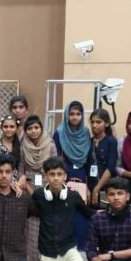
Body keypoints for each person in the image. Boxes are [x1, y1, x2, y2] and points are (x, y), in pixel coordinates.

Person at [32, 157, 95, 261]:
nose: (56, 178)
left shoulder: (73, 196)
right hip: (48, 249)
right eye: (52, 174)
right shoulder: (39, 195)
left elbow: (90, 214)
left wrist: (111, 212)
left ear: (65, 176)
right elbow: (26, 212)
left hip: (68, 247)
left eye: (59, 174)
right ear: (46, 176)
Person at [21, 115, 57, 261]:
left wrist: (47, 190)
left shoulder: (50, 145)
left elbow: (55, 169)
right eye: (30, 128)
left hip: (48, 188)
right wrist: (31, 192)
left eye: (36, 127)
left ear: (41, 129)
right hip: (28, 189)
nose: (33, 131)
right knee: (31, 227)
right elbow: (21, 169)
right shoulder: (23, 146)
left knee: (47, 226)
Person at [53, 101, 91, 251]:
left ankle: (80, 250)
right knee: (65, 214)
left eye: (78, 114)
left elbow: (89, 161)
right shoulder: (60, 133)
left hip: (82, 178)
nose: (75, 117)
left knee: (80, 214)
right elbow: (56, 159)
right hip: (64, 177)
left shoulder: (86, 133)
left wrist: (89, 186)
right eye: (72, 114)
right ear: (66, 115)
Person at [87, 108, 118, 208]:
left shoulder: (111, 141)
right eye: (92, 122)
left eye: (98, 122)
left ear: (107, 124)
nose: (94, 125)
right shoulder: (88, 141)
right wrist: (86, 187)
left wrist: (97, 189)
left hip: (105, 186)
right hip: (89, 186)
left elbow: (111, 168)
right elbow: (85, 166)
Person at [0, 114, 23, 185]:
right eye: (5, 127)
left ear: (17, 128)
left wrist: (20, 181)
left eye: (12, 127)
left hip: (19, 183)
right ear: (1, 128)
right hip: (1, 183)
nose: (8, 129)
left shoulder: (21, 145)